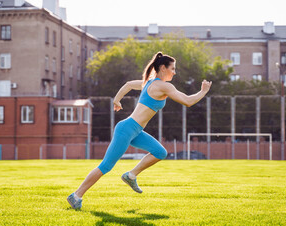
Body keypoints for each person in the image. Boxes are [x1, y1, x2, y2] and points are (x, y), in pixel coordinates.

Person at [67, 52, 212, 209]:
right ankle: (76, 195)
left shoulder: (148, 83)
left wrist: (117, 99)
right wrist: (203, 91)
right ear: (163, 68)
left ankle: (131, 175)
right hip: (127, 129)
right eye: (173, 68)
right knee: (106, 166)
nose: (174, 72)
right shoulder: (163, 86)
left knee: (160, 153)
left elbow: (129, 85)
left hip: (136, 131)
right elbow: (187, 101)